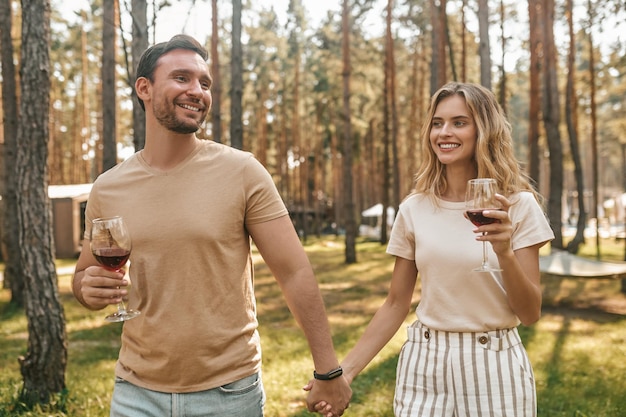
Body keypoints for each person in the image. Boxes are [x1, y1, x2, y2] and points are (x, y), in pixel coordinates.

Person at [71, 34, 351, 417]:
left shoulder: (242, 171)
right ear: (144, 88)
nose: (197, 91)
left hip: (228, 394)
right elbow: (85, 274)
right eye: (182, 78)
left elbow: (294, 271)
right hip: (135, 393)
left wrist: (328, 369)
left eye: (205, 83)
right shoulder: (109, 186)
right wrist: (86, 288)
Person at [309, 82, 554, 416]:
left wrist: (505, 253)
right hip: (424, 362)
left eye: (459, 122)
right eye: (437, 123)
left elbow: (530, 313)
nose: (444, 132)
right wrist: (345, 373)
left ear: (484, 130)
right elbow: (396, 303)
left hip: (493, 362)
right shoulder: (415, 208)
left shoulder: (518, 205)